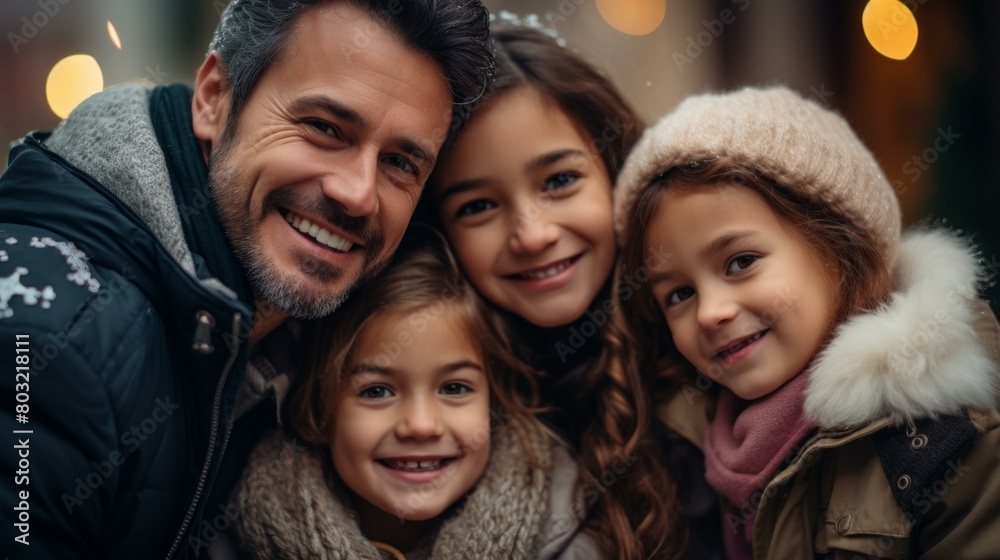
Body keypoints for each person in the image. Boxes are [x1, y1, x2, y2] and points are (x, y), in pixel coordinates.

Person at [0, 1, 493, 558]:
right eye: (324, 128)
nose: (358, 193)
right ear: (214, 98)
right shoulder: (48, 344)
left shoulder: (316, 336)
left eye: (401, 163)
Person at [614, 85, 1000, 559]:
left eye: (741, 263)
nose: (711, 312)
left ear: (837, 248)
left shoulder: (947, 441)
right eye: (679, 294)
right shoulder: (682, 444)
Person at [426, 25, 708, 559]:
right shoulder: (428, 408)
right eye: (477, 206)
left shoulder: (714, 349)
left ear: (618, 168)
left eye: (559, 181)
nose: (532, 234)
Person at [231, 228, 601, 559]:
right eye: (376, 391)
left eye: (454, 388)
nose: (421, 425)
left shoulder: (569, 539)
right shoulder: (231, 535)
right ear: (317, 411)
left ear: (495, 402)